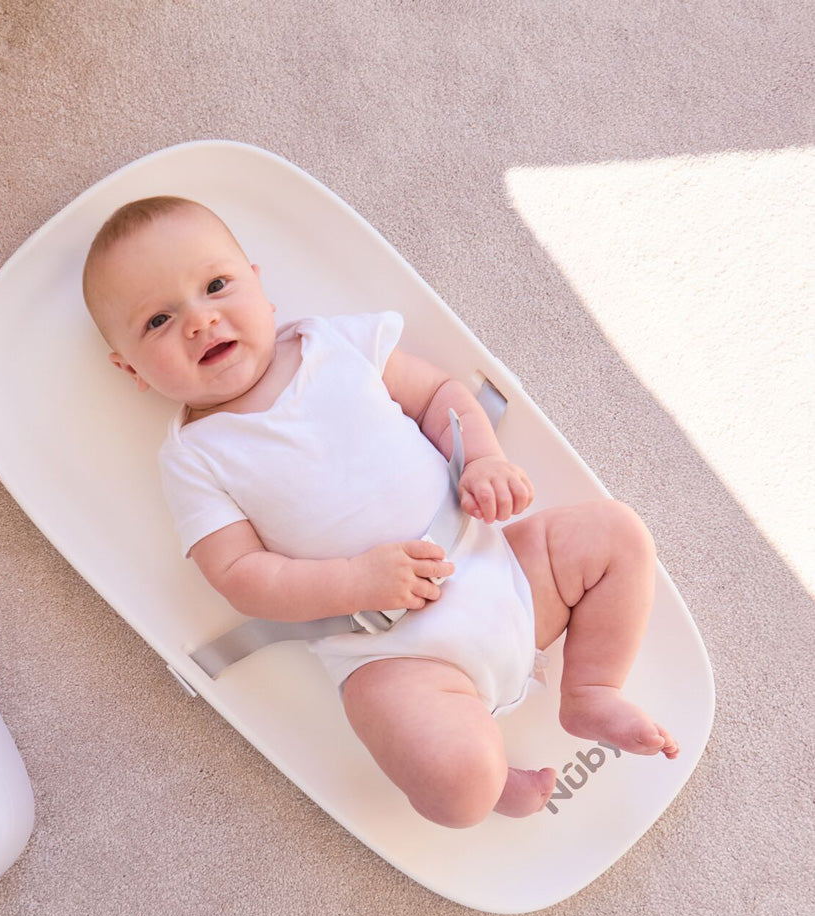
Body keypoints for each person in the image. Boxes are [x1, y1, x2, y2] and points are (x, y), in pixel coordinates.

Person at [82, 195, 679, 828]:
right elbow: (238, 574)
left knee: (616, 532)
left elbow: (439, 396)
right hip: (394, 656)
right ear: (131, 369)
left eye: (216, 285)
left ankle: (589, 691)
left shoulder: (338, 342)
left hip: (502, 572)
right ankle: (487, 774)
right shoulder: (194, 457)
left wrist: (479, 459)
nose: (200, 321)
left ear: (260, 284)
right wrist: (354, 582)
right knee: (457, 788)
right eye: (158, 321)